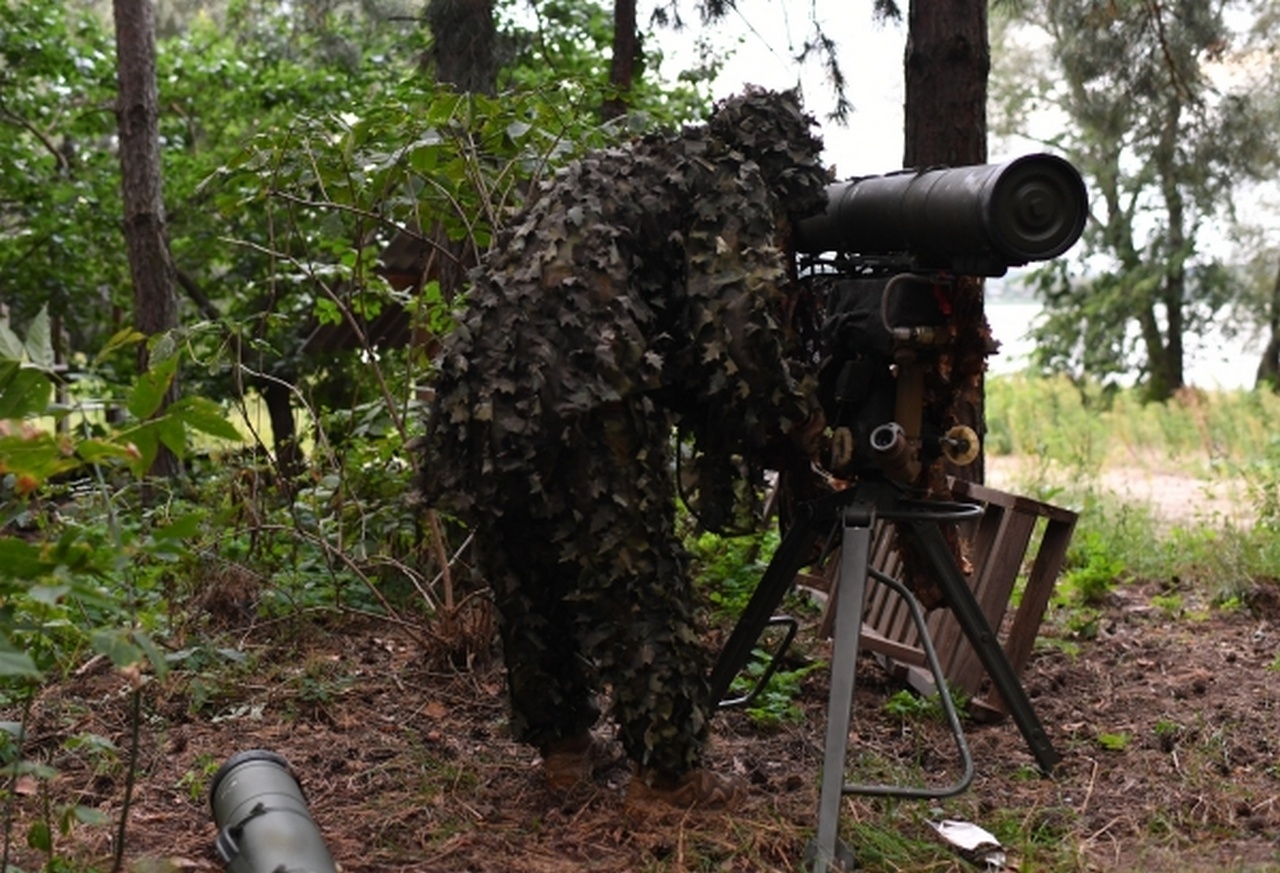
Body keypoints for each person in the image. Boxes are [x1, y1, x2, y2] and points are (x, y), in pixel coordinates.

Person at [420, 87, 830, 808]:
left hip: (478, 377)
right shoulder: (731, 175)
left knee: (528, 567)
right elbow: (735, 322)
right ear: (781, 158)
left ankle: (564, 753)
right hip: (584, 374)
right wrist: (799, 417)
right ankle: (669, 779)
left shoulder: (622, 166)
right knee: (635, 571)